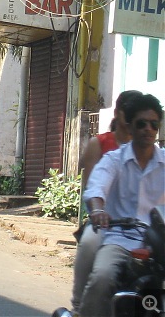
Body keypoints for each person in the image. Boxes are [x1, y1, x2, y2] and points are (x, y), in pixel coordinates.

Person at [80, 92, 165, 317]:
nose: (148, 129)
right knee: (102, 277)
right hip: (119, 238)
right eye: (142, 123)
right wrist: (98, 210)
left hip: (158, 243)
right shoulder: (113, 160)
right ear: (131, 125)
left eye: (153, 124)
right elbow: (96, 187)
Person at [70, 90, 139, 314]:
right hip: (106, 220)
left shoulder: (148, 150)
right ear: (118, 114)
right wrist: (98, 211)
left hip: (139, 223)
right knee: (90, 243)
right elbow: (92, 187)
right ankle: (80, 304)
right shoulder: (100, 144)